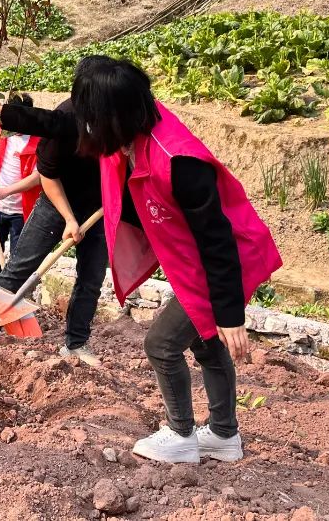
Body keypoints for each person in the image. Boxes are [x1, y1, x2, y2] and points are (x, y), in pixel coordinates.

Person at [72, 56, 282, 464]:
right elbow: (61, 124)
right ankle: (223, 435)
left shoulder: (180, 163)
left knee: (162, 344)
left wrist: (228, 314)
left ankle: (182, 436)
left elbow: (218, 242)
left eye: (90, 115)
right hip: (194, 260)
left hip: (224, 261)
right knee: (205, 347)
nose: (87, 125)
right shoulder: (132, 130)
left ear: (110, 114)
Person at [0, 56, 110, 366]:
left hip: (99, 206)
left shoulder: (117, 119)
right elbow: (47, 175)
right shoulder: (67, 117)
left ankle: (76, 343)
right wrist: (69, 218)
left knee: (92, 276)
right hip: (55, 201)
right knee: (21, 265)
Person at [0, 92, 41, 288]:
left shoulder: (38, 142)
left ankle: (11, 294)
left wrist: (5, 191)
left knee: (17, 260)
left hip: (20, 212)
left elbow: (37, 177)